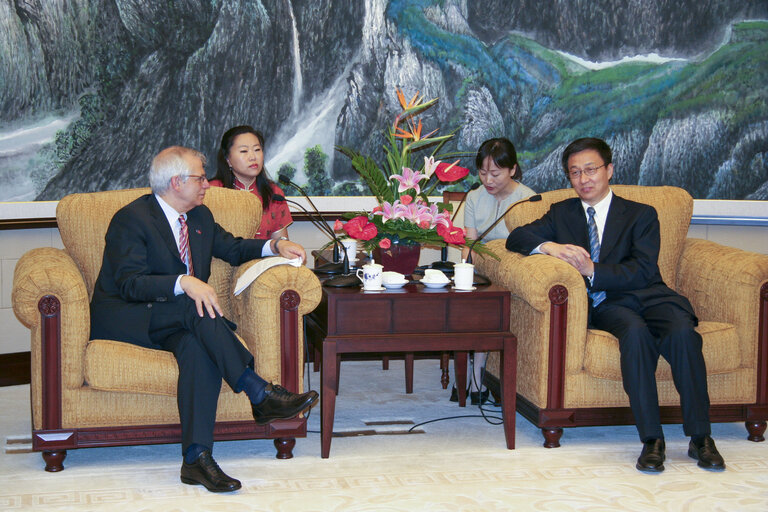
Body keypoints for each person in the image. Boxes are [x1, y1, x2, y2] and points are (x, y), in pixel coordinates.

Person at [90, 146, 318, 493]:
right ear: (176, 182)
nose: (206, 185)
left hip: (177, 321)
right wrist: (184, 282)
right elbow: (129, 283)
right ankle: (258, 391)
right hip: (125, 314)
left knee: (198, 347)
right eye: (199, 178)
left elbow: (232, 247)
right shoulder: (132, 219)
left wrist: (274, 247)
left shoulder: (199, 216)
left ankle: (196, 458)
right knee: (193, 306)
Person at [505, 137, 725, 473]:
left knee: (683, 333)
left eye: (591, 169)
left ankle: (701, 437)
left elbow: (644, 269)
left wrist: (592, 270)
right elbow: (516, 238)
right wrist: (551, 246)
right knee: (634, 335)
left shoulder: (641, 214)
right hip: (610, 305)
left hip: (652, 295)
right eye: (575, 172)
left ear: (609, 170)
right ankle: (652, 440)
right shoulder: (562, 213)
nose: (583, 179)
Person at [453, 138, 536, 405]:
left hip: (510, 272)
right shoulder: (475, 196)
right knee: (463, 304)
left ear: (512, 169)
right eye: (483, 172)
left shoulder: (528, 199)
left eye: (495, 173)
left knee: (485, 308)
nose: (488, 179)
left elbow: (530, 247)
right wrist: (467, 274)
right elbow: (469, 243)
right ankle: (461, 376)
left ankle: (477, 376)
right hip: (479, 269)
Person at [209, 125, 292, 240]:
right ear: (228, 160)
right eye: (244, 151)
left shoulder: (274, 193)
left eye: (257, 150)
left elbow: (281, 243)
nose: (253, 157)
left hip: (265, 257)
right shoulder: (211, 191)